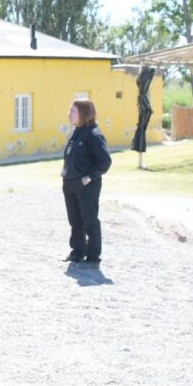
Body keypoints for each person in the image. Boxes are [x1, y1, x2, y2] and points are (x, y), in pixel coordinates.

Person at [61, 99, 112, 264]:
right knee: (75, 220)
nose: (69, 114)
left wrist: (90, 177)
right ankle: (77, 252)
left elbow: (105, 161)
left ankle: (93, 256)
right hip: (70, 182)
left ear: (83, 113)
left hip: (86, 185)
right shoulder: (76, 132)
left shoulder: (94, 134)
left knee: (89, 219)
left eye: (73, 111)